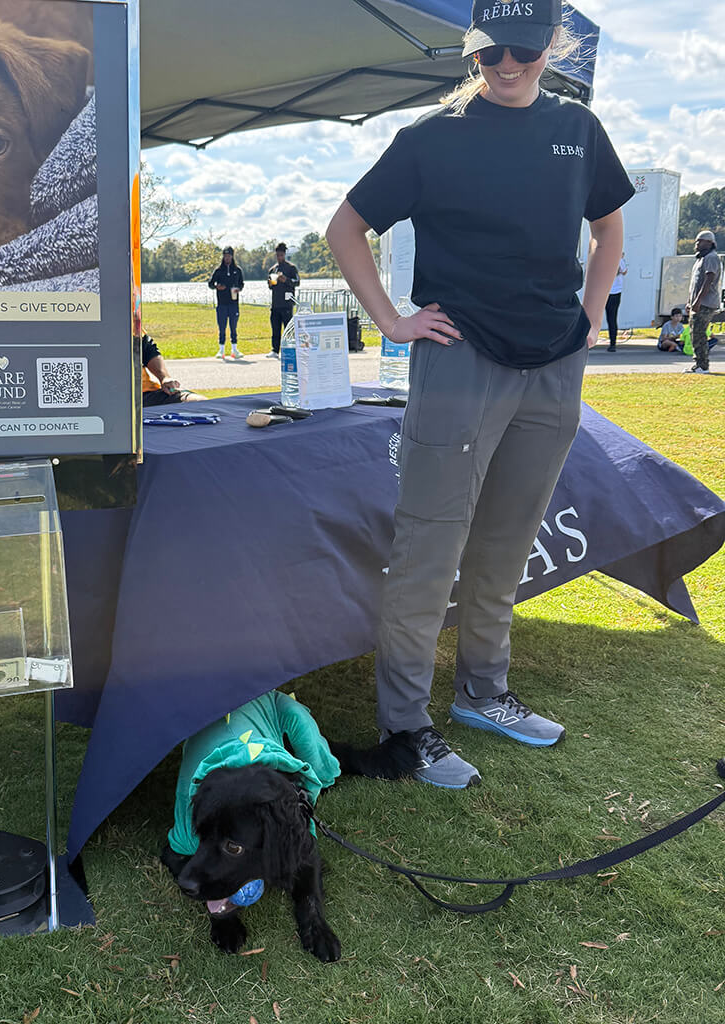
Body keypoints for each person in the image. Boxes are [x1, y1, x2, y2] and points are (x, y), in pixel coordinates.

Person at [325, 0, 632, 789]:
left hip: (555, 361)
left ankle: (484, 693)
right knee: (430, 547)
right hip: (461, 359)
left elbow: (609, 228)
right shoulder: (431, 137)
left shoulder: (579, 130)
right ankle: (405, 727)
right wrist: (392, 320)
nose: (505, 67)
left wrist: (591, 315)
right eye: (489, 53)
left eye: (522, 53)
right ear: (473, 51)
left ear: (549, 48)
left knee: (507, 540)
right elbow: (345, 227)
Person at [684, 230, 722, 375]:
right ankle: (698, 364)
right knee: (695, 333)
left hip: (705, 303)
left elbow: (708, 280)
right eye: (696, 241)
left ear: (710, 243)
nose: (697, 244)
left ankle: (703, 366)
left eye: (700, 241)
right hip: (698, 303)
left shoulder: (711, 258)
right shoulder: (701, 259)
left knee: (699, 333)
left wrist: (698, 301)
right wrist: (690, 302)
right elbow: (694, 284)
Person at [141, 333, 205, 406]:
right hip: (128, 401)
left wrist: (164, 378)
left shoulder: (132, 326)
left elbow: (148, 351)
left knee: (199, 402)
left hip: (145, 394)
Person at [208, 246, 245, 359]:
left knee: (233, 327)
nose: (227, 258)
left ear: (232, 256)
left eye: (229, 256)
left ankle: (234, 350)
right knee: (222, 327)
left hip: (233, 303)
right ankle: (221, 350)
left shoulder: (237, 270)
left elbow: (241, 284)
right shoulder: (218, 270)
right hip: (222, 303)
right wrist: (217, 286)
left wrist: (238, 289)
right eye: (225, 256)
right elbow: (210, 284)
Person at [266, 242, 299, 358]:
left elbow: (297, 282)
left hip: (287, 304)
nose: (279, 257)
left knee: (288, 329)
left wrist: (286, 280)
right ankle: (275, 350)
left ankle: (290, 350)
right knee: (275, 329)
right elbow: (270, 286)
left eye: (281, 255)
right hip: (275, 304)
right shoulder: (273, 270)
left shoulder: (291, 268)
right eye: (277, 255)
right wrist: (272, 282)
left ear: (284, 254)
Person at [605, 252, 627, 351]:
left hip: (602, 291)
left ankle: (588, 340)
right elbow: (625, 271)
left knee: (594, 316)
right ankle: (612, 344)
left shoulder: (603, 258)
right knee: (612, 318)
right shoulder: (619, 260)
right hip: (615, 291)